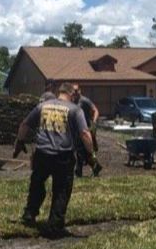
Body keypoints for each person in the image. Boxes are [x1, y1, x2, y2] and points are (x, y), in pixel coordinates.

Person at [14, 82, 96, 231]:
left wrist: (20, 142)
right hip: (63, 156)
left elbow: (25, 125)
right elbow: (85, 133)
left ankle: (29, 213)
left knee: (37, 184)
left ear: (60, 92)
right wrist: (91, 153)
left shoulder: (43, 106)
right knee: (61, 190)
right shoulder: (75, 110)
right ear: (71, 94)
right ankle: (54, 224)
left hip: (42, 153)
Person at [72, 84, 102, 177]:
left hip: (86, 129)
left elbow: (95, 110)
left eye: (76, 91)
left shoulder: (84, 101)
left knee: (86, 151)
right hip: (77, 130)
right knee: (79, 151)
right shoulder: (72, 101)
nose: (75, 93)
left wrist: (94, 122)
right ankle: (81, 170)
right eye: (73, 91)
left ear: (80, 90)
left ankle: (92, 167)